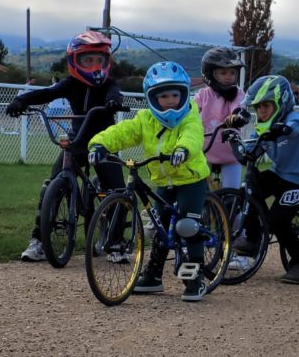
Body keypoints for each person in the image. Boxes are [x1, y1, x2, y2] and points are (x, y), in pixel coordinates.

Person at [89, 61, 211, 302]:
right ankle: (153, 275)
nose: (170, 101)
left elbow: (192, 135)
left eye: (175, 95)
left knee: (187, 226)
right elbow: (123, 132)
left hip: (191, 179)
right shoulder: (145, 119)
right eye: (163, 96)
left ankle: (195, 279)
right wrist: (100, 144)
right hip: (164, 182)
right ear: (152, 98)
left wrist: (183, 149)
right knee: (159, 226)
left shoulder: (189, 116)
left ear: (184, 94)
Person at [5, 31, 126, 262]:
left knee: (117, 190)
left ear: (106, 62)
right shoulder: (70, 84)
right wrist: (21, 101)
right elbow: (47, 94)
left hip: (105, 143)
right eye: (87, 60)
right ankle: (39, 240)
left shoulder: (109, 84)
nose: (93, 65)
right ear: (74, 61)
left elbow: (115, 93)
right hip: (77, 141)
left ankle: (117, 242)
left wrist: (114, 102)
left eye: (98, 60)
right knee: (52, 186)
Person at [229, 74, 299, 284]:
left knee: (278, 220)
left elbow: (295, 129)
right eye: (257, 107)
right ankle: (253, 237)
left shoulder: (292, 119)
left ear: (281, 103)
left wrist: (283, 130)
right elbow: (248, 153)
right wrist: (234, 141)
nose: (260, 112)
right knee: (248, 187)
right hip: (279, 174)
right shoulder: (263, 127)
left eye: (266, 106)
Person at [194, 46, 251, 271]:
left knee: (232, 199)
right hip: (205, 152)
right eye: (223, 72)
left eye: (232, 73)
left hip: (230, 155)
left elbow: (242, 110)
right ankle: (197, 243)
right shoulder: (203, 95)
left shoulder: (239, 94)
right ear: (210, 74)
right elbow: (190, 111)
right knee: (198, 196)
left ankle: (235, 247)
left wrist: (238, 118)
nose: (229, 77)